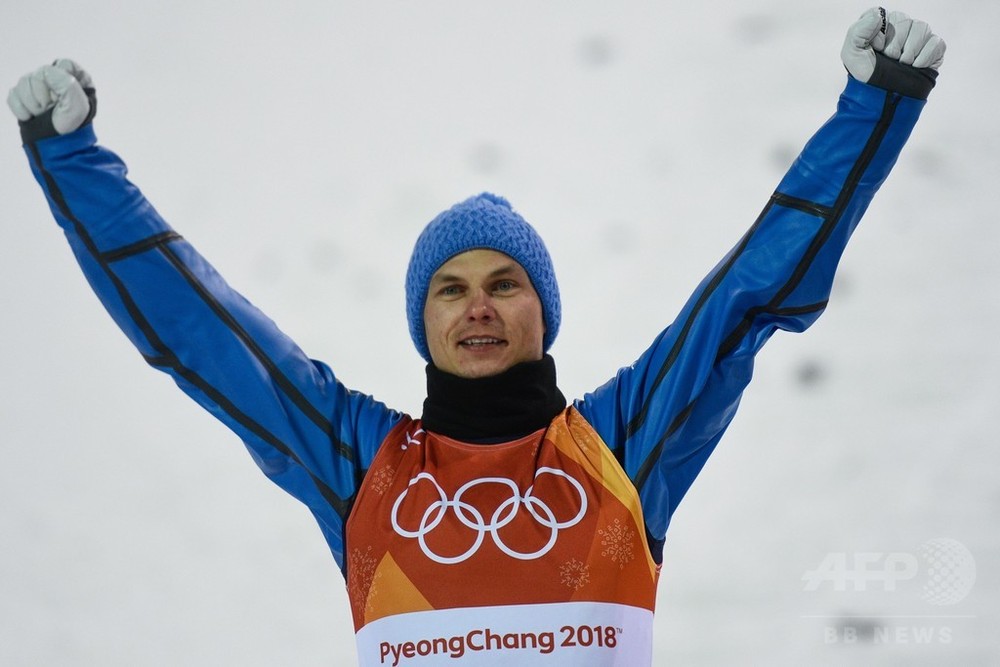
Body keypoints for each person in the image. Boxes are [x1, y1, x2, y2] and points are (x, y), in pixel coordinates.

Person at [8, 7, 944, 666]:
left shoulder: (621, 448)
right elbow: (204, 337)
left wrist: (875, 109)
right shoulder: (358, 464)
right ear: (422, 325)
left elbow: (749, 293)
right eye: (449, 291)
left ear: (545, 314)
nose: (478, 306)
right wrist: (73, 159)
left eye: (505, 283)